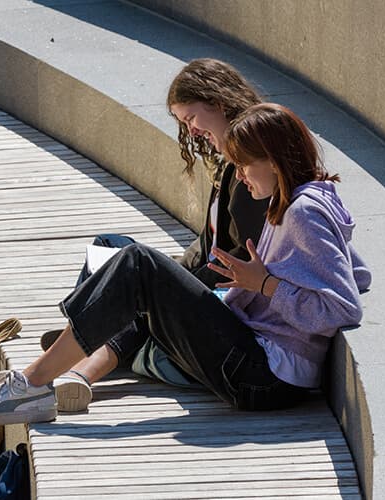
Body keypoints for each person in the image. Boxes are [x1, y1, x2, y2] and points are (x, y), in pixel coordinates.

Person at [0, 103, 371, 425]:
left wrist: (265, 286)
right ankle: (68, 363)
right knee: (133, 269)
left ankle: (32, 385)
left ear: (275, 160)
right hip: (258, 360)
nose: (240, 176)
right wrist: (251, 286)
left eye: (244, 165)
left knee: (137, 265)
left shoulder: (303, 212)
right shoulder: (305, 200)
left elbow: (342, 307)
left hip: (264, 376)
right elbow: (356, 271)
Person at [44, 58, 271, 412]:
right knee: (109, 246)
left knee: (137, 276)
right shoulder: (231, 164)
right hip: (204, 281)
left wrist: (169, 284)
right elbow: (205, 246)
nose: (192, 132)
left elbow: (232, 262)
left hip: (224, 309)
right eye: (184, 123)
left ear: (218, 103)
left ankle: (88, 361)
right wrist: (173, 272)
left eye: (192, 119)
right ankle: (95, 335)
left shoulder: (250, 174)